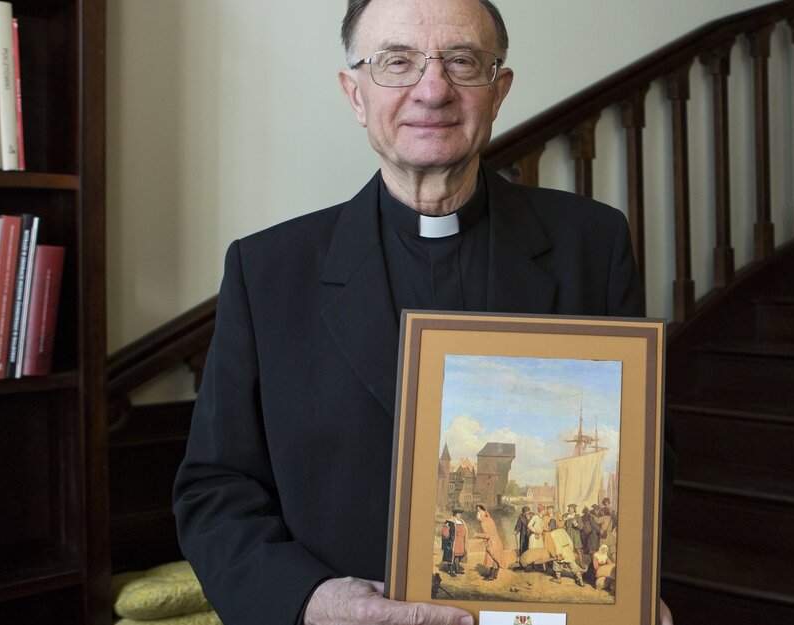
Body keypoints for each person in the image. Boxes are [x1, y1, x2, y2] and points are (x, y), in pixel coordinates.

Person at [171, 1, 670, 624]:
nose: (432, 90)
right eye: (396, 63)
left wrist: (629, 583)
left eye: (461, 62)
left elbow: (650, 458)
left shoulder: (590, 244)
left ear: (498, 90)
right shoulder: (267, 270)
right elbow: (214, 491)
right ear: (355, 94)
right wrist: (314, 603)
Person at [473, 504, 505, 581]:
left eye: (478, 513)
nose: (477, 515)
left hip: (492, 542)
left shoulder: (483, 522)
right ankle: (495, 575)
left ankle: (491, 576)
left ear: (481, 514)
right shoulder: (490, 519)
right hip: (497, 540)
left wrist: (477, 534)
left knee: (492, 558)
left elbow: (487, 535)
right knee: (496, 558)